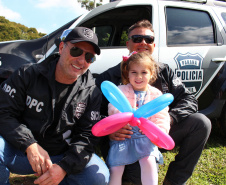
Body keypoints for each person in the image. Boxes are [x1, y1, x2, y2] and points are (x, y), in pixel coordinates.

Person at [95, 19, 212, 185]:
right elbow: (92, 111)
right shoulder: (109, 77)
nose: (143, 42)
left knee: (201, 123)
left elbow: (189, 99)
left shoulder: (165, 71)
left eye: (148, 39)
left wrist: (166, 121)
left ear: (154, 46)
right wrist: (110, 130)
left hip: (158, 131)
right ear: (128, 44)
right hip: (125, 138)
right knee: (137, 178)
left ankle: (174, 181)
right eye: (137, 39)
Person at [0, 27, 109, 185]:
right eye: (76, 51)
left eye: (89, 57)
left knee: (98, 178)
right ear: (61, 47)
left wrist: (64, 167)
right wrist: (29, 144)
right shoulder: (27, 74)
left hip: (61, 157)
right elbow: (3, 112)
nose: (81, 60)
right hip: (21, 151)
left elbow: (87, 137)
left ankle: (53, 180)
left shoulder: (92, 92)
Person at [106, 51, 171, 185]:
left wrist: (159, 131)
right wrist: (126, 116)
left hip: (144, 136)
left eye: (144, 72)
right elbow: (113, 108)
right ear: (127, 73)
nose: (139, 77)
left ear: (152, 74)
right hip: (124, 135)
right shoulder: (122, 90)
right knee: (116, 168)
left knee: (148, 162)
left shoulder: (156, 94)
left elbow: (162, 115)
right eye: (134, 72)